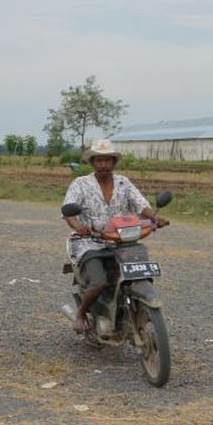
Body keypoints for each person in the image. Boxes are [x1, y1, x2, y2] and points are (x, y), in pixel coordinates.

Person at [62, 139, 168, 334]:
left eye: (107, 160)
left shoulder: (123, 183)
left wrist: (154, 217)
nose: (103, 165)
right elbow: (69, 212)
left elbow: (140, 204)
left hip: (122, 239)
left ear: (114, 162)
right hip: (90, 241)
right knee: (99, 280)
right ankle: (81, 313)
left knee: (139, 272)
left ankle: (131, 309)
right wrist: (79, 227)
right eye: (99, 160)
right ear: (92, 163)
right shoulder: (81, 184)